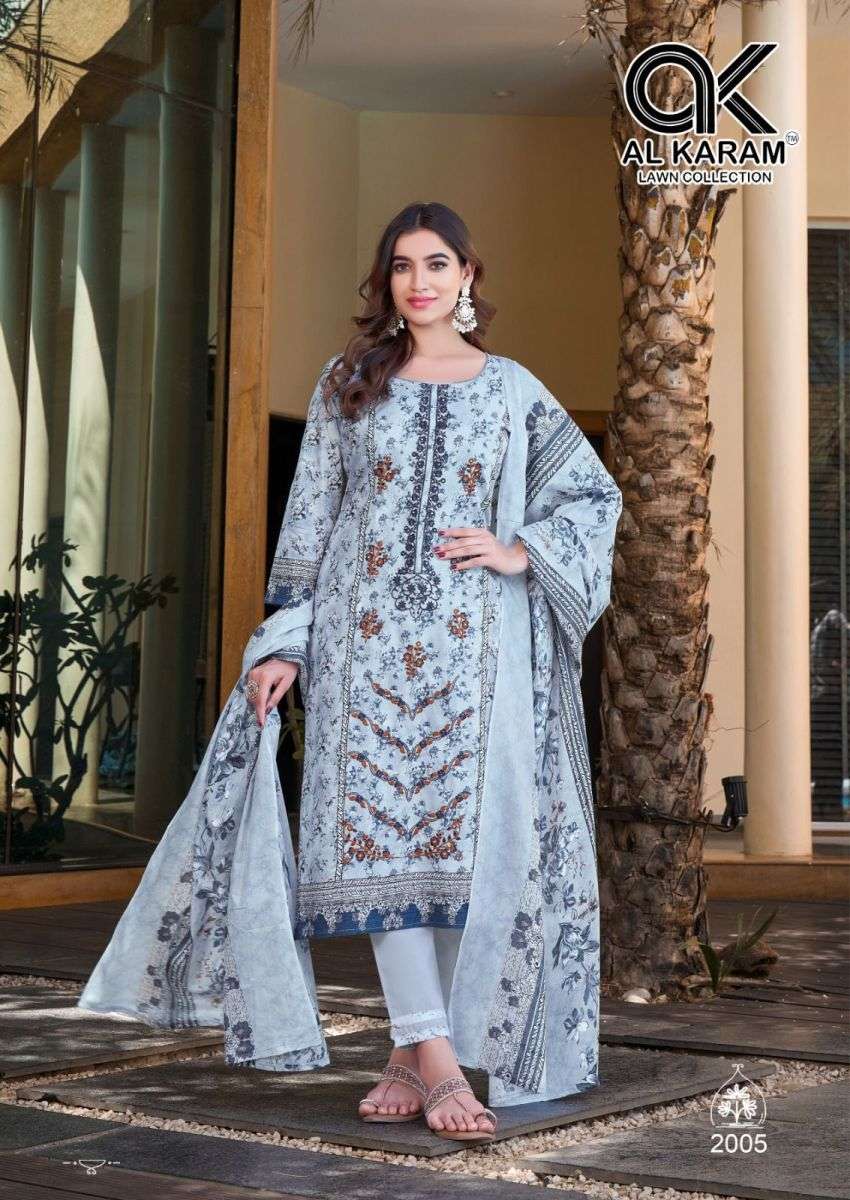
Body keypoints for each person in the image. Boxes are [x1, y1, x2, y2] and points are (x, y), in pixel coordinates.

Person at [76, 201, 623, 1144]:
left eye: (438, 263)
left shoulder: (512, 390)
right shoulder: (349, 384)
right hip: (360, 654)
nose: (420, 281)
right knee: (375, 851)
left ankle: (409, 1052)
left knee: (452, 860)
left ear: (468, 276)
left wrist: (518, 550)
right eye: (403, 265)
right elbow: (309, 523)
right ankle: (442, 1063)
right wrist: (284, 642)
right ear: (386, 281)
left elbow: (591, 495)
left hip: (476, 662)